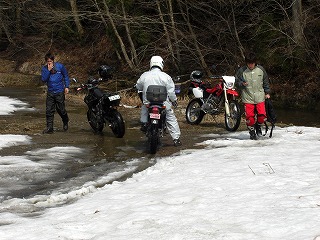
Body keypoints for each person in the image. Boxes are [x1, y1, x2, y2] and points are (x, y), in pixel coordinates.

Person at [136, 56, 182, 146]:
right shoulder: (166, 77)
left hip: (148, 103)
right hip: (163, 103)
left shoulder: (144, 75)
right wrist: (174, 101)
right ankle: (176, 139)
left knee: (144, 109)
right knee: (171, 118)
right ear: (161, 64)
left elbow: (138, 86)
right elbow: (171, 92)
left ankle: (144, 124)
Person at [236, 52, 271, 140]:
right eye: (248, 63)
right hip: (248, 97)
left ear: (255, 62)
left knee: (262, 116)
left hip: (260, 97)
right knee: (250, 118)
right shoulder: (242, 70)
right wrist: (242, 84)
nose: (250, 65)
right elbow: (236, 82)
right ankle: (251, 131)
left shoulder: (261, 70)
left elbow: (266, 82)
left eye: (252, 63)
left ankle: (258, 126)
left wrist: (267, 92)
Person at [41, 52, 70, 134]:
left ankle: (65, 120)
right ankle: (50, 128)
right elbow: (43, 79)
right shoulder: (44, 69)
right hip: (50, 92)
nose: (49, 62)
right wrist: (48, 71)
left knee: (61, 109)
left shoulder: (60, 66)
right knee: (49, 110)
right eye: (48, 61)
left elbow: (66, 76)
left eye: (50, 61)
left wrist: (67, 86)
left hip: (59, 91)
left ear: (53, 60)